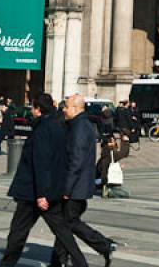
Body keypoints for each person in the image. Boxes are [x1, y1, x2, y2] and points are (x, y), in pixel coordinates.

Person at [0, 93, 88, 267]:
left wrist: (41, 194)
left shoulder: (42, 129)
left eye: (33, 107)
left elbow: (41, 163)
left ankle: (7, 264)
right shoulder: (60, 126)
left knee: (18, 233)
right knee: (63, 232)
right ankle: (81, 263)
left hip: (34, 193)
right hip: (53, 190)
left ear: (38, 110)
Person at [50, 95, 115, 267]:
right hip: (79, 185)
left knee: (69, 223)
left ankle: (104, 245)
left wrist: (66, 188)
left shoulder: (79, 127)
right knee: (63, 226)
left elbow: (76, 160)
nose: (63, 109)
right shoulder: (80, 124)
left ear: (76, 108)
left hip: (75, 187)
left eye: (67, 106)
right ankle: (58, 261)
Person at [97, 133, 130, 198]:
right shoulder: (110, 154)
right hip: (106, 182)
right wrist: (125, 141)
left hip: (99, 182)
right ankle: (107, 191)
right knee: (126, 193)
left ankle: (102, 189)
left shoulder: (104, 154)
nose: (115, 143)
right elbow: (124, 153)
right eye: (113, 141)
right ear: (109, 144)